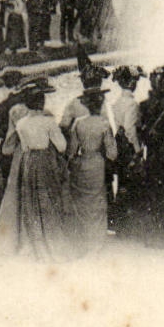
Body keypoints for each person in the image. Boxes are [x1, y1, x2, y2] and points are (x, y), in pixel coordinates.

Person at [0, 81, 77, 260]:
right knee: (49, 199)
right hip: (45, 161)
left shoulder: (21, 123)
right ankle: (53, 242)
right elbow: (62, 146)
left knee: (30, 201)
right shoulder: (48, 121)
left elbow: (20, 146)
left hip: (28, 161)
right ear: (42, 102)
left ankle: (33, 243)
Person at [66, 85, 118, 254]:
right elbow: (112, 152)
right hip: (97, 163)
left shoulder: (78, 123)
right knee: (97, 199)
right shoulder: (104, 123)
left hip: (82, 163)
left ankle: (84, 236)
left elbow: (71, 150)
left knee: (83, 199)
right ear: (100, 104)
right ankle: (98, 238)